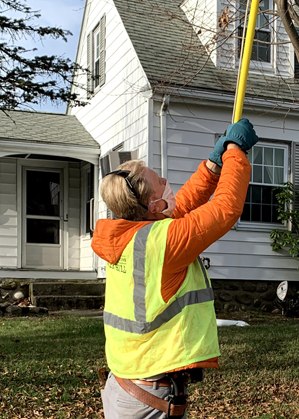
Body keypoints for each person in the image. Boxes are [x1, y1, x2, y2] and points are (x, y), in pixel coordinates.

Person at [92, 118, 258, 419]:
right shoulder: (163, 244)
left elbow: (179, 207)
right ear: (153, 207)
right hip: (149, 396)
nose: (169, 185)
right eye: (162, 184)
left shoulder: (127, 234)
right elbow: (225, 209)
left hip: (124, 384)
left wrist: (212, 167)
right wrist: (235, 151)